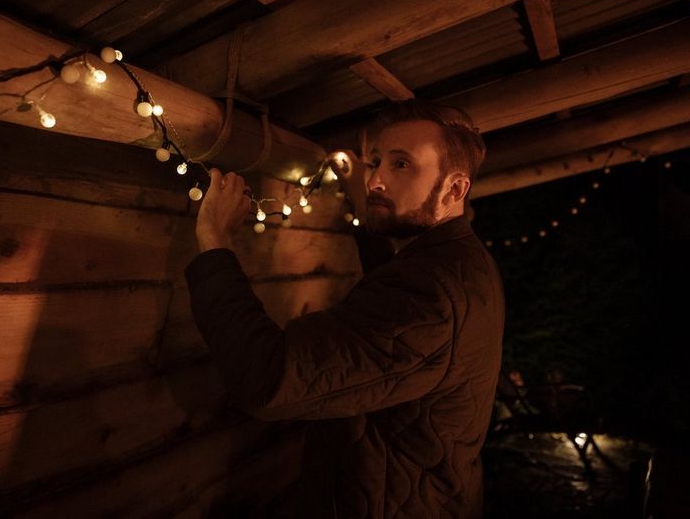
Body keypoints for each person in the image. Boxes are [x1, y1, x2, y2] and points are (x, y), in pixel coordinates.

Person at [184, 100, 505, 518]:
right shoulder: (456, 261)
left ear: (454, 189)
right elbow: (391, 311)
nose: (376, 180)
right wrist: (364, 203)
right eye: (376, 162)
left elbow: (268, 380)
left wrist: (214, 241)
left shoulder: (430, 293)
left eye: (402, 165)